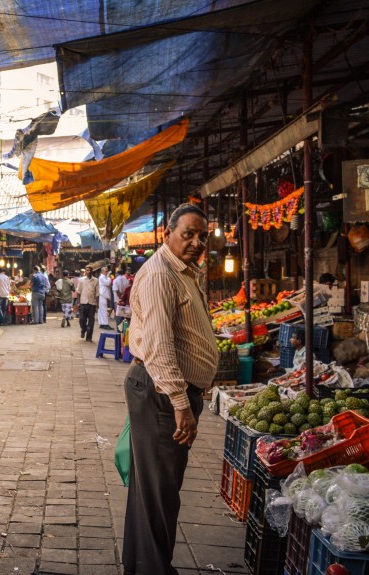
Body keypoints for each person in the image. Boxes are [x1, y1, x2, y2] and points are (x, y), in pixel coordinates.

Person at [123, 204, 217, 575]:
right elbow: (160, 347)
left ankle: (142, 567)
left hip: (163, 391)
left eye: (202, 236)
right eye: (188, 234)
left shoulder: (182, 272)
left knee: (154, 493)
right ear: (167, 234)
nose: (197, 242)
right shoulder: (161, 275)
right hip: (162, 395)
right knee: (159, 495)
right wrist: (181, 404)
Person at [77, 268, 99, 341]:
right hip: (83, 302)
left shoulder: (96, 280)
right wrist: (78, 302)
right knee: (82, 319)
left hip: (92, 303)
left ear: (92, 271)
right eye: (87, 270)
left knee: (91, 321)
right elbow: (78, 292)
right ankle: (84, 330)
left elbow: (97, 293)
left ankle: (89, 337)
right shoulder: (81, 280)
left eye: (89, 270)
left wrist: (97, 304)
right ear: (85, 272)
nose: (88, 272)